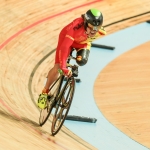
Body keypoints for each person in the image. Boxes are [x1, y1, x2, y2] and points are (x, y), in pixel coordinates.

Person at [37, 8, 106, 109]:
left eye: (97, 28)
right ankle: (44, 93)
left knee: (81, 61)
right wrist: (64, 66)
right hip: (66, 40)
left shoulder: (100, 31)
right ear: (86, 23)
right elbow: (65, 47)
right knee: (58, 67)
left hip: (81, 44)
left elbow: (88, 41)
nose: (93, 31)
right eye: (91, 27)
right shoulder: (75, 27)